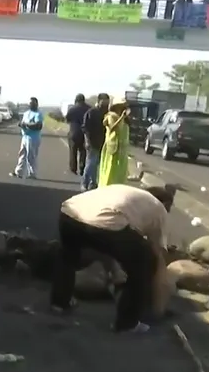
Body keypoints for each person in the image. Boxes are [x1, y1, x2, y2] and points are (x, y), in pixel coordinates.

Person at [50, 184, 177, 333]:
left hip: (69, 213)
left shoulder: (128, 194)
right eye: (169, 208)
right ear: (165, 204)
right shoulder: (158, 209)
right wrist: (159, 306)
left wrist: (115, 272)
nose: (169, 212)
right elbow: (157, 255)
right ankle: (127, 323)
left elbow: (106, 244)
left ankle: (59, 303)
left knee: (68, 256)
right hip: (103, 222)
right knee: (145, 263)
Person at [98, 97, 130, 187]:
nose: (122, 107)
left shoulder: (125, 118)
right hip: (113, 149)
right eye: (120, 105)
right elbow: (113, 128)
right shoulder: (111, 116)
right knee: (111, 170)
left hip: (122, 151)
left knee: (120, 172)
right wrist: (121, 118)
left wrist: (124, 117)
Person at [81, 93, 109, 190]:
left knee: (97, 165)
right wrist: (87, 141)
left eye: (107, 102)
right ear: (99, 101)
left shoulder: (107, 113)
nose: (105, 104)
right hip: (92, 142)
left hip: (103, 143)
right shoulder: (91, 112)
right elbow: (85, 128)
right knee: (91, 163)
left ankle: (93, 183)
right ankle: (85, 182)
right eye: (104, 102)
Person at [10, 97, 43, 179]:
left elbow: (38, 126)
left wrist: (27, 125)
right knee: (22, 154)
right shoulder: (26, 113)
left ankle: (32, 174)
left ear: (36, 104)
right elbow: (22, 122)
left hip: (33, 138)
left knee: (31, 156)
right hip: (25, 136)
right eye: (30, 103)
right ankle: (19, 172)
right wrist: (21, 124)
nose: (31, 105)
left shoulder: (38, 114)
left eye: (33, 103)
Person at [65, 93, 90, 176]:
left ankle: (73, 168)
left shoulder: (72, 109)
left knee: (73, 151)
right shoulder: (89, 108)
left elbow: (67, 119)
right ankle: (82, 168)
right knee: (83, 151)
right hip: (85, 133)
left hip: (74, 132)